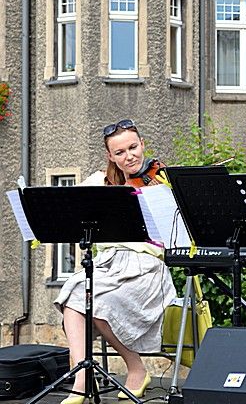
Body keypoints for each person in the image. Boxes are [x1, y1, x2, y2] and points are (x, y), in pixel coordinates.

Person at [54, 119, 176, 404]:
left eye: (133, 148)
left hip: (146, 270)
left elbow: (175, 234)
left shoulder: (162, 182)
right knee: (74, 293)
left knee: (98, 300)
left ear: (142, 144)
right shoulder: (100, 182)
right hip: (107, 265)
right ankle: (82, 379)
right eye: (120, 152)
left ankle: (136, 369)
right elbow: (67, 207)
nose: (129, 156)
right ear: (110, 156)